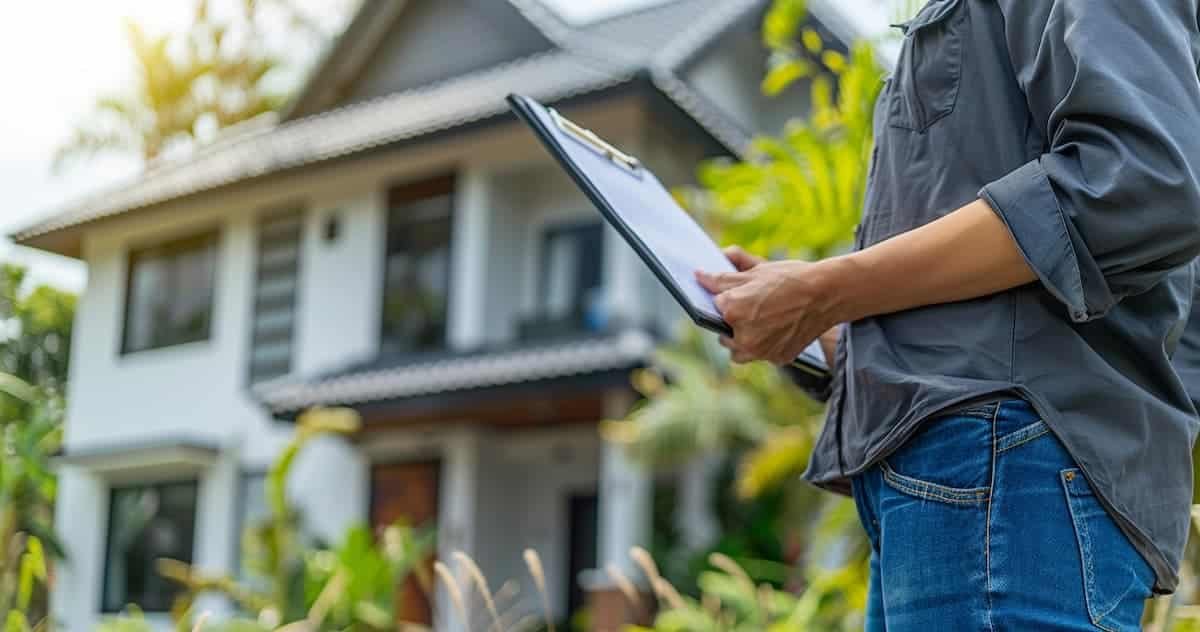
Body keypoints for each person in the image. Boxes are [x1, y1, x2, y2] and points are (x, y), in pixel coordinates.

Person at [696, 2, 1200, 630]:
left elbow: (1140, 182)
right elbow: (978, 320)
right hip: (967, 481)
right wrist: (813, 324)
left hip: (1007, 472)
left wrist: (824, 290)